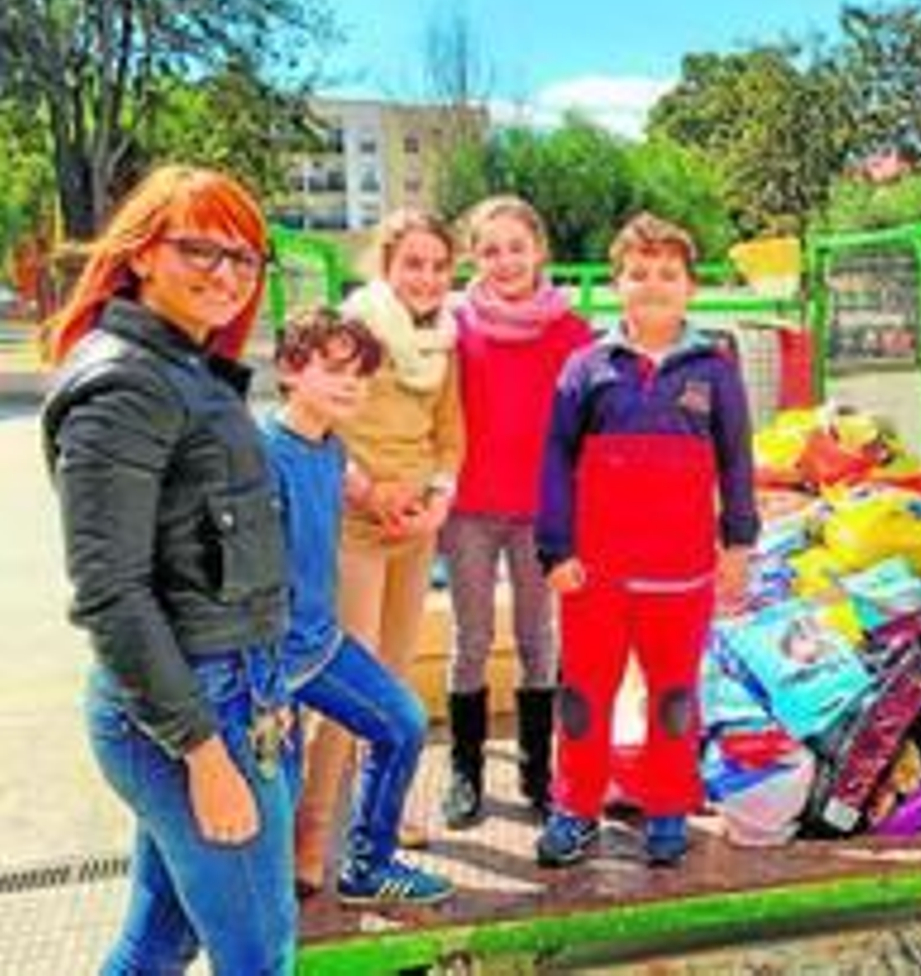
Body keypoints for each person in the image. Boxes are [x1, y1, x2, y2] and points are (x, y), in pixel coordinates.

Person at [41, 165, 296, 972]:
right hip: (188, 710)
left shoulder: (182, 368)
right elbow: (111, 592)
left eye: (245, 258)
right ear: (143, 253)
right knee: (261, 950)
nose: (227, 274)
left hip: (227, 688)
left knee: (159, 939)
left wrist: (267, 688)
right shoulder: (126, 384)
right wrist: (203, 751)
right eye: (201, 249)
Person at [535, 212, 759, 868]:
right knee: (583, 696)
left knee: (673, 696)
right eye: (639, 273)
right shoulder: (587, 367)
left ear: (691, 287)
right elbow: (554, 459)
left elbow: (737, 462)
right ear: (616, 285)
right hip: (594, 576)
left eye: (668, 274)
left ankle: (668, 807)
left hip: (681, 575)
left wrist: (738, 547)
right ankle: (575, 810)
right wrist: (555, 550)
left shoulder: (715, 370)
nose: (653, 285)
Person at [294, 210, 464, 893]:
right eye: (412, 263)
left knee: (392, 681)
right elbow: (319, 421)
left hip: (414, 527)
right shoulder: (354, 331)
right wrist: (369, 492)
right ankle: (311, 829)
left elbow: (450, 434)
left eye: (437, 266)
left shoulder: (443, 343)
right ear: (385, 266)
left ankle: (377, 817)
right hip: (357, 526)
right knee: (351, 678)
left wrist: (440, 499)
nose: (425, 278)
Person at [263, 310, 454, 906]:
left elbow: (347, 476)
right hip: (273, 660)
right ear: (290, 371)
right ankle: (268, 900)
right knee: (278, 787)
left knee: (403, 721)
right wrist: (268, 690)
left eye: (361, 376)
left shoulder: (330, 446)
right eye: (334, 369)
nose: (351, 385)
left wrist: (388, 498)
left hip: (323, 644)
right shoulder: (260, 456)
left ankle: (368, 866)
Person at [439, 196, 592, 829]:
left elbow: (591, 423)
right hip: (470, 509)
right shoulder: (452, 324)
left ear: (539, 251)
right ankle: (465, 771)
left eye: (516, 247)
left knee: (538, 639)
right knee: (471, 639)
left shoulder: (571, 331)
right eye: (490, 249)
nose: (505, 261)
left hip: (540, 513)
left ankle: (536, 770)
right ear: (474, 257)